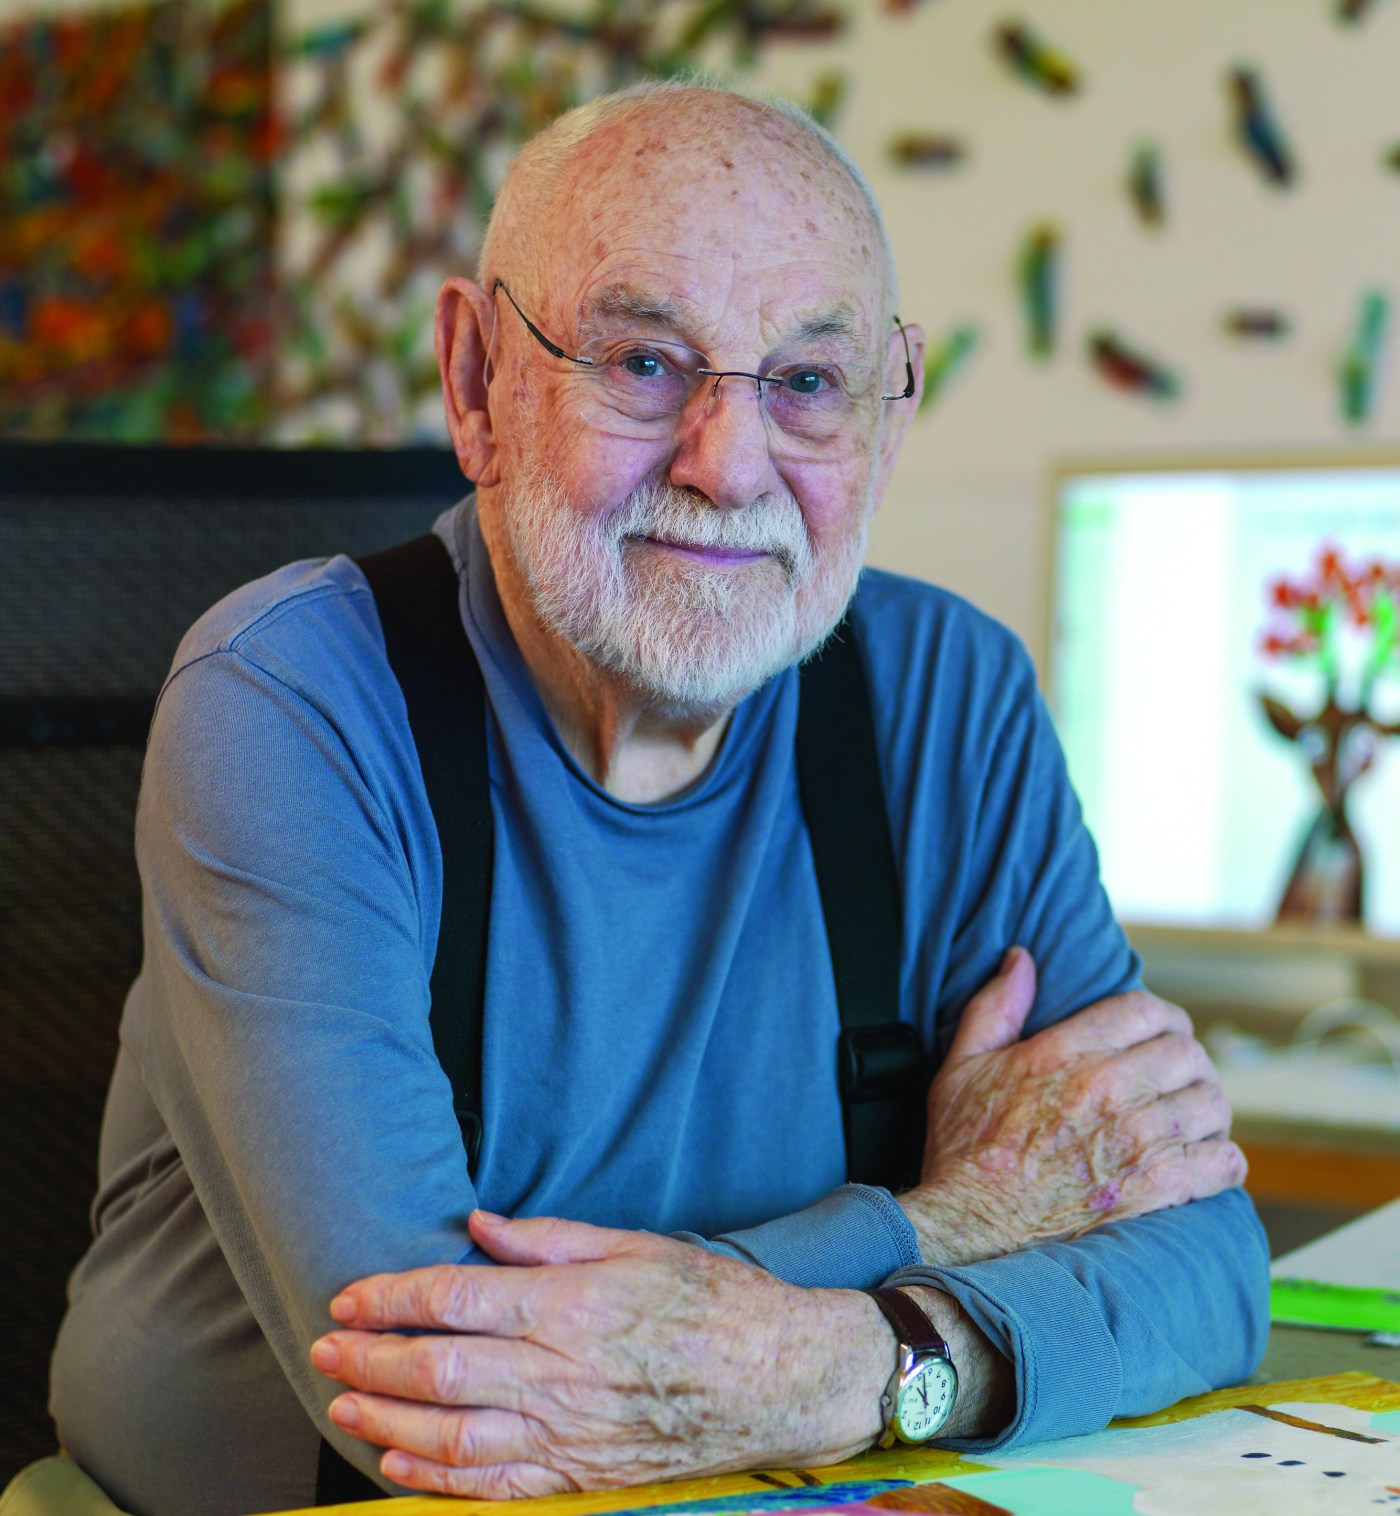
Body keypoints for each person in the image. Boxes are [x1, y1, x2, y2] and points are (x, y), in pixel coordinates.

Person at [50, 80, 1268, 1516]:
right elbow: (441, 1388)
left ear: (887, 410)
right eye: (642, 362)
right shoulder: (294, 701)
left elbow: (1207, 1266)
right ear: (477, 380)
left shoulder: (949, 697)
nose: (728, 463)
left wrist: (857, 1366)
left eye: (808, 384)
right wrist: (964, 1222)